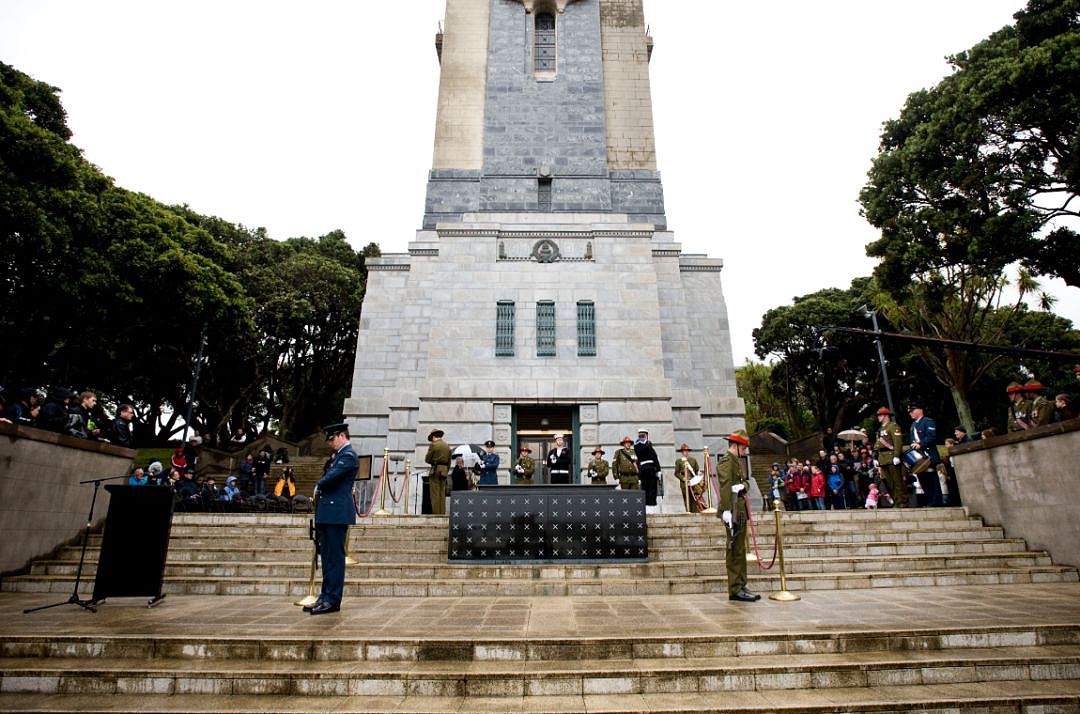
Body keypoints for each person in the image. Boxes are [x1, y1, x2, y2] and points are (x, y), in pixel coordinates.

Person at [304, 422, 359, 615]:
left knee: (335, 559)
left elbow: (330, 478)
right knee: (327, 558)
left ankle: (333, 599)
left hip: (337, 514)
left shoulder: (348, 456)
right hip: (328, 513)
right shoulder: (337, 456)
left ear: (341, 436)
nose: (330, 443)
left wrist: (319, 484)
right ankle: (325, 596)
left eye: (332, 439)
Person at [716, 429, 759, 602]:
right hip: (733, 510)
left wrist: (743, 487)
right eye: (744, 447)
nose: (746, 451)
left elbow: (744, 483)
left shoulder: (735, 460)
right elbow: (725, 485)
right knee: (734, 550)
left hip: (739, 509)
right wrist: (726, 510)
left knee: (740, 549)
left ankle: (741, 584)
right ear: (737, 445)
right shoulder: (728, 461)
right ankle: (735, 588)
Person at [908, 401, 943, 507]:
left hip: (929, 455)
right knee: (923, 479)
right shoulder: (913, 424)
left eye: (912, 410)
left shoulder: (928, 421)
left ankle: (937, 501)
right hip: (919, 457)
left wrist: (920, 444)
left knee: (931, 478)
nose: (911, 413)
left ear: (920, 410)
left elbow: (931, 437)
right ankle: (930, 501)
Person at [874, 407, 906, 508]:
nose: (878, 417)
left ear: (886, 416)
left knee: (897, 481)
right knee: (889, 482)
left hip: (891, 457)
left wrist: (897, 455)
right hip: (883, 459)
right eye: (878, 415)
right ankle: (896, 501)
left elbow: (898, 442)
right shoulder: (880, 429)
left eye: (880, 415)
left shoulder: (893, 426)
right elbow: (877, 444)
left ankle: (902, 502)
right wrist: (876, 458)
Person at [424, 427, 451, 515]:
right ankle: (442, 513)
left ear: (433, 437)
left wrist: (433, 461)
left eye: (432, 439)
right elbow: (449, 462)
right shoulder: (447, 446)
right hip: (444, 471)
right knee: (442, 492)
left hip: (435, 470)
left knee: (434, 493)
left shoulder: (434, 445)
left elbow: (427, 459)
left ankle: (436, 514)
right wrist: (446, 471)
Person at [633, 428, 661, 508]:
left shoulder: (636, 446)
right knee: (652, 486)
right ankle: (651, 504)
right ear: (646, 435)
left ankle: (645, 505)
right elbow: (654, 457)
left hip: (642, 469)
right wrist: (658, 469)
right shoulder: (648, 444)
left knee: (644, 487)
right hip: (650, 468)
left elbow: (637, 460)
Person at [674, 444, 702, 511]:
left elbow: (697, 470)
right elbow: (676, 473)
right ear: (682, 452)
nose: (685, 452)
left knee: (694, 498)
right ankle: (688, 512)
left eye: (686, 451)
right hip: (684, 483)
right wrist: (683, 478)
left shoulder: (693, 460)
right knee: (686, 499)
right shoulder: (679, 461)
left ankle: (695, 512)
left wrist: (699, 473)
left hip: (693, 481)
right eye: (683, 451)